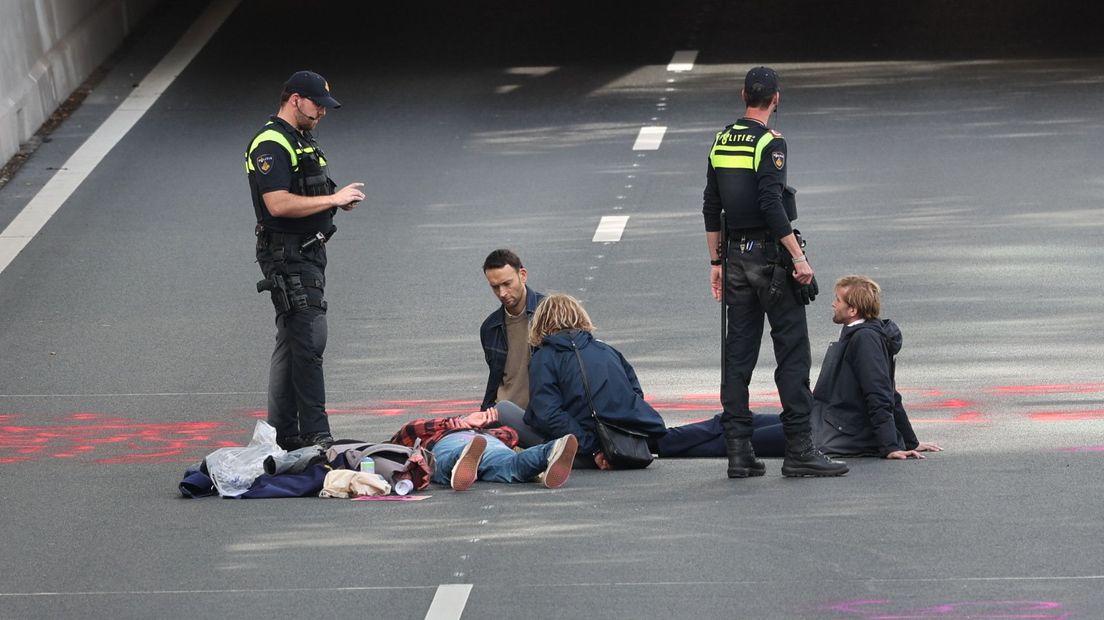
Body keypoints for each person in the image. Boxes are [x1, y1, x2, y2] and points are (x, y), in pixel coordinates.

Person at [702, 66, 847, 478]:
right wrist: (798, 258)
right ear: (776, 99)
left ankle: (739, 453)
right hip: (770, 262)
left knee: (737, 357)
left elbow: (712, 207)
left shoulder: (721, 140)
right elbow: (771, 203)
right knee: (792, 353)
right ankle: (800, 449)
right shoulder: (770, 143)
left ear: (743, 94)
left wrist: (715, 262)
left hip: (733, 260)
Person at [246, 70, 366, 450]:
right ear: (295, 99)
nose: (323, 113)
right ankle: (316, 434)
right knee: (309, 338)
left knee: (294, 340)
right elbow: (277, 203)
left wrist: (334, 202)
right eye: (318, 105)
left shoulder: (301, 138)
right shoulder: (270, 143)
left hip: (310, 251)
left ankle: (283, 433)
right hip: (287, 254)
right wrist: (331, 200)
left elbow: (310, 188)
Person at [523, 294, 667, 469]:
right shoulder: (608, 350)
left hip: (583, 446)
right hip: (619, 442)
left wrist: (593, 448)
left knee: (503, 410)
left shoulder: (543, 358)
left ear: (540, 323)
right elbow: (635, 394)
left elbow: (548, 414)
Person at [812, 276, 944, 459]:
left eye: (838, 299)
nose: (833, 304)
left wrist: (890, 446)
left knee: (759, 436)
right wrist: (910, 441)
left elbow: (880, 393)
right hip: (826, 420)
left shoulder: (865, 339)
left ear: (852, 310)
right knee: (760, 423)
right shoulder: (859, 333)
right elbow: (891, 393)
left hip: (835, 432)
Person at [389, 406, 578, 490]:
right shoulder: (450, 425)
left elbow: (405, 433)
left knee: (440, 463)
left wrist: (488, 424)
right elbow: (409, 430)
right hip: (481, 441)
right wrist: (458, 422)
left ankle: (461, 459)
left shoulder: (441, 433)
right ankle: (550, 450)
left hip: (465, 441)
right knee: (511, 466)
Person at [480, 249, 545, 412]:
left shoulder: (549, 313)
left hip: (543, 415)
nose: (502, 293)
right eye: (495, 287)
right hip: (502, 416)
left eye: (507, 284)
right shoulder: (490, 328)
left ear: (522, 275)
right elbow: (495, 379)